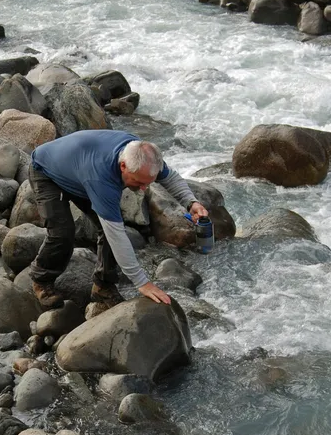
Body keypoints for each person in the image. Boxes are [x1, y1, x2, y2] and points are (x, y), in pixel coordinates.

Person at [27, 129, 209, 310]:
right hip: (47, 173)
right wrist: (143, 283)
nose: (144, 189)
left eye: (148, 183)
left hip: (79, 171)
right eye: (139, 182)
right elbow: (117, 236)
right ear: (123, 166)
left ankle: (103, 286)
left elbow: (170, 177)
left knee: (111, 228)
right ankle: (41, 279)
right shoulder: (102, 179)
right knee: (63, 232)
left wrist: (191, 202)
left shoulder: (143, 156)